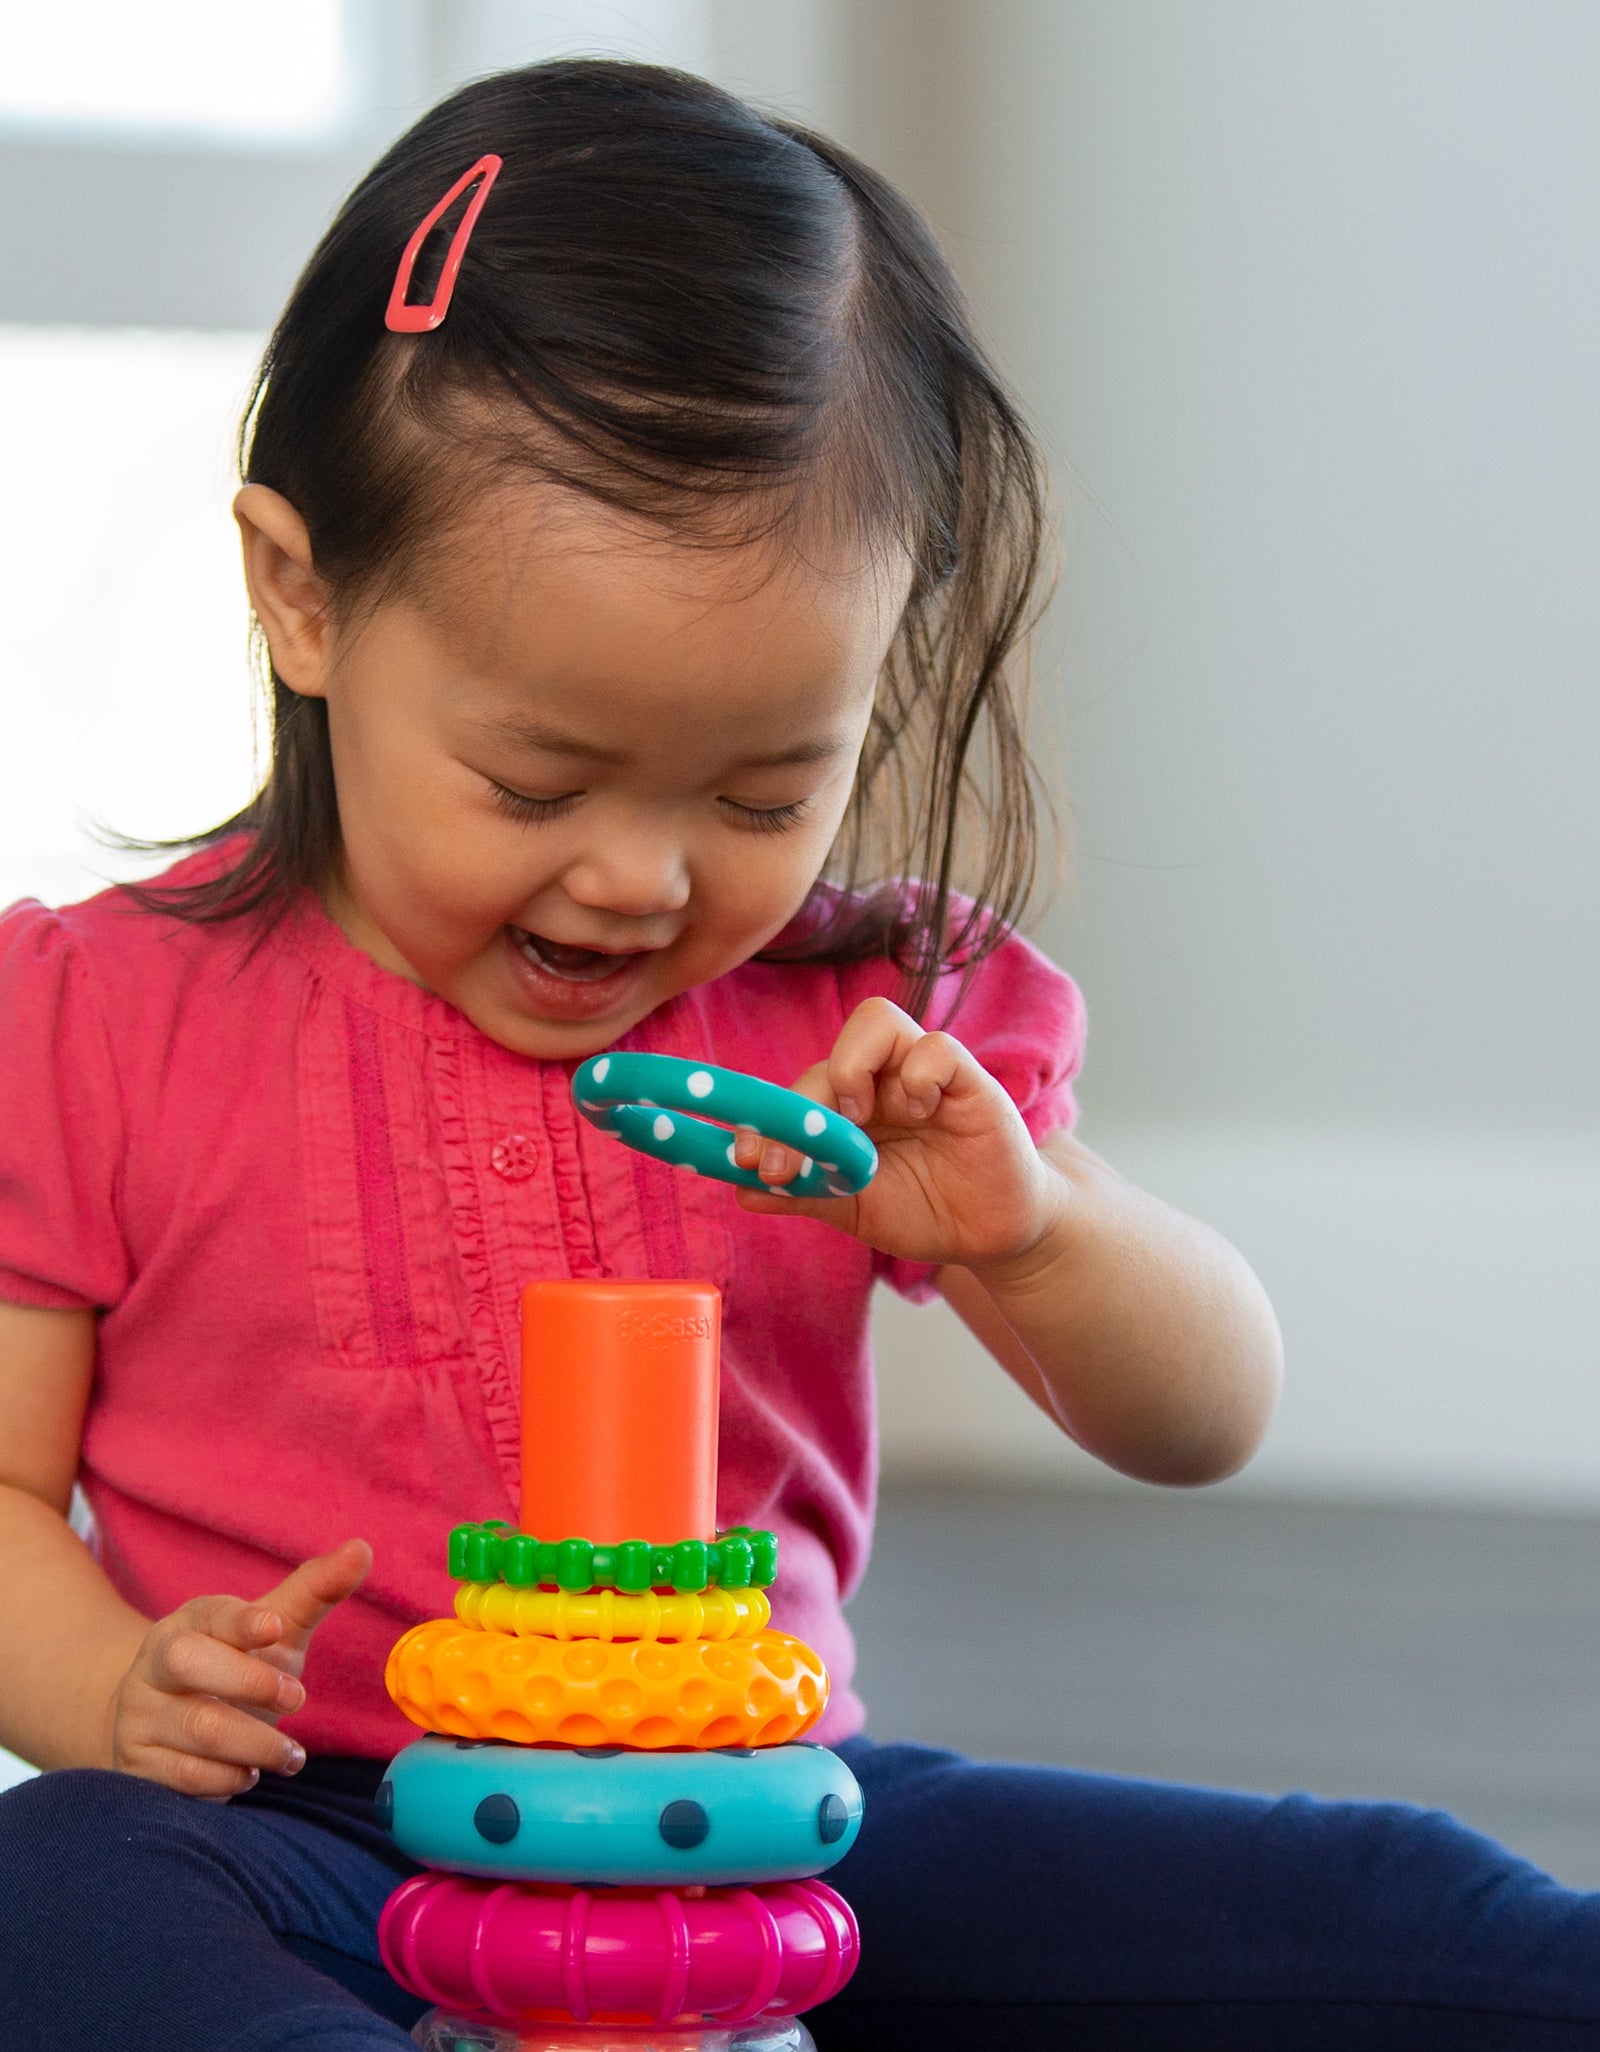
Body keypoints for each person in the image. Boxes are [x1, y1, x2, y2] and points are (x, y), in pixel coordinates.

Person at [0, 58, 1587, 2052]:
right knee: (52, 1891)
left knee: (1391, 1900)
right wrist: (117, 1687)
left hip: (760, 1831)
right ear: (301, 597)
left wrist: (1028, 1229)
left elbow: (1204, 1415)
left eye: (762, 790)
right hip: (305, 1828)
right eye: (535, 775)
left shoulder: (884, 1023)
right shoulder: (89, 1017)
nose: (638, 876)